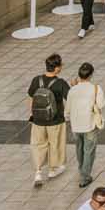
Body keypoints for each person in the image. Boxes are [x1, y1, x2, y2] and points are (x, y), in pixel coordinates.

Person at [27, 53, 70, 188]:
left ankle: (38, 171)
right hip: (55, 120)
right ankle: (53, 169)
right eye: (61, 64)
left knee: (38, 145)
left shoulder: (36, 80)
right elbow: (70, 97)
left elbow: (31, 98)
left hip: (38, 120)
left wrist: (32, 114)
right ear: (56, 68)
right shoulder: (60, 83)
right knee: (55, 143)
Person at [65, 62, 105, 188]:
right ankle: (85, 176)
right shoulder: (96, 88)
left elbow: (68, 108)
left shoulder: (72, 89)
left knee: (79, 148)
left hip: (76, 125)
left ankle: (81, 169)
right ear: (91, 75)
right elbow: (99, 105)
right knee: (89, 151)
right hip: (89, 124)